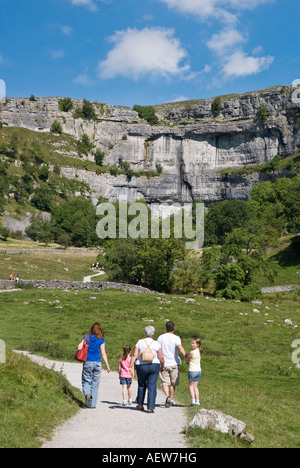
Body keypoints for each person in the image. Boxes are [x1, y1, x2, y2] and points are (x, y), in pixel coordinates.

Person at [129, 326, 164, 413]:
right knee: (152, 386)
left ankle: (140, 404)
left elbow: (134, 355)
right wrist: (162, 366)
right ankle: (150, 407)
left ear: (145, 333)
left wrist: (130, 365)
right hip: (154, 365)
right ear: (153, 333)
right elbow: (161, 357)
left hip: (141, 365)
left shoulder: (140, 342)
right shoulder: (156, 343)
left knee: (141, 385)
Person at [77, 322, 111, 409]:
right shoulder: (101, 340)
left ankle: (87, 394)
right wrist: (107, 366)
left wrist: (83, 343)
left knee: (86, 380)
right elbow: (103, 353)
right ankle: (93, 404)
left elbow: (79, 348)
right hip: (97, 363)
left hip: (88, 362)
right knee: (95, 383)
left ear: (92, 329)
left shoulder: (86, 337)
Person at [157, 321, 187, 408]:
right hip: (174, 363)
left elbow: (158, 349)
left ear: (166, 328)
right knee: (173, 383)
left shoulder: (160, 337)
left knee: (165, 382)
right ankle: (170, 398)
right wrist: (185, 356)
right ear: (173, 328)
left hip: (164, 363)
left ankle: (167, 397)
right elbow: (180, 347)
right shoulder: (176, 338)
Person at [185, 338, 204, 406]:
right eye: (192, 343)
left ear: (197, 344)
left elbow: (187, 360)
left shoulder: (191, 352)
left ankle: (193, 400)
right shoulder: (199, 351)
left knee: (191, 386)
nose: (192, 344)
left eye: (193, 343)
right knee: (195, 387)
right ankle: (197, 401)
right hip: (198, 370)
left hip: (192, 370)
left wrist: (186, 359)